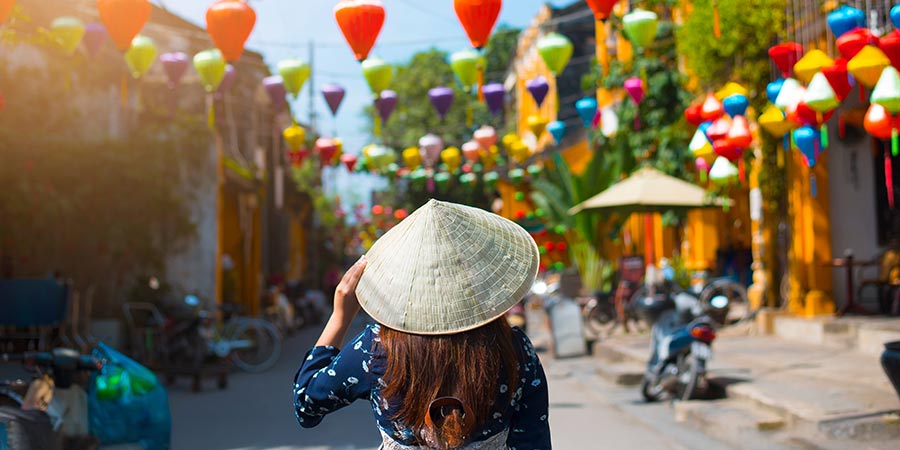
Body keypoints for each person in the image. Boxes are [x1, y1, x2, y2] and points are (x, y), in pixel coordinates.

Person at [293, 200, 550, 449]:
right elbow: (533, 442)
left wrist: (341, 316)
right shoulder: (515, 350)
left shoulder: (375, 348)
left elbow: (306, 405)